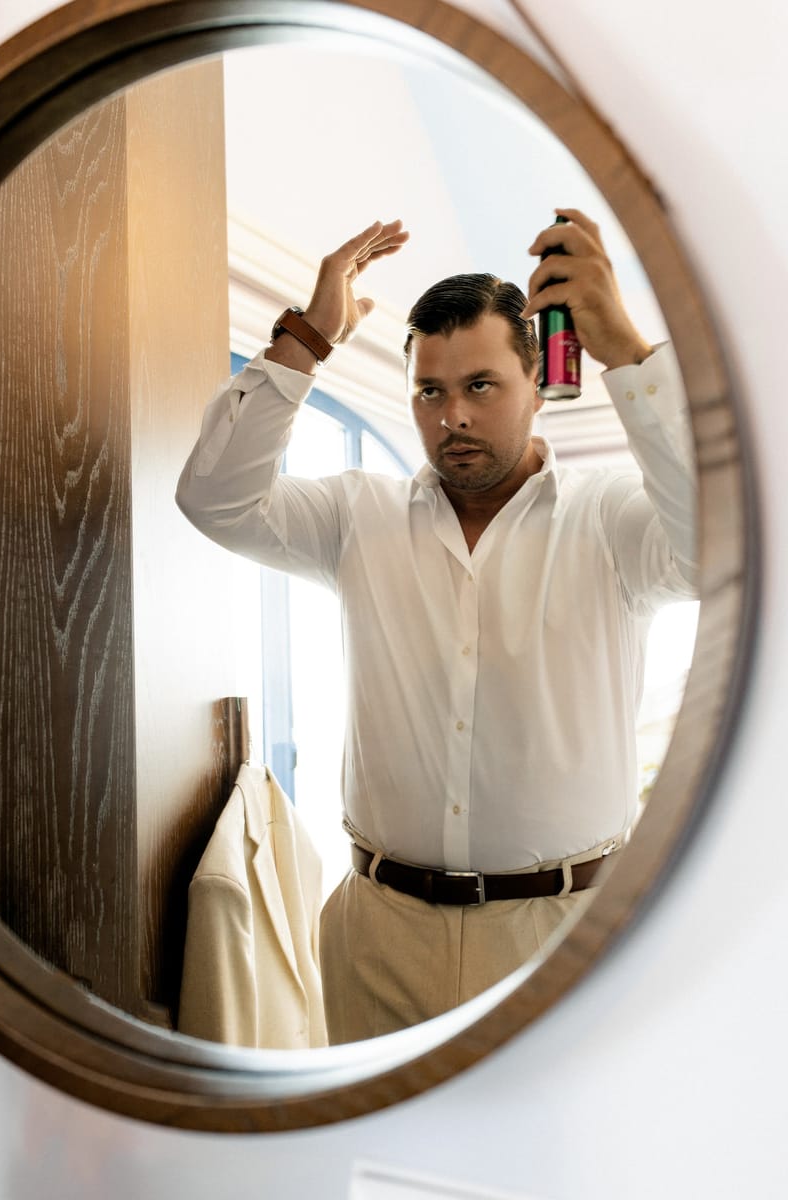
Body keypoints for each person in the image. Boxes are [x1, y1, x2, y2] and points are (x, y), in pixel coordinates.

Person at [176, 209, 697, 1044]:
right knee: (373, 1169)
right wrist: (308, 336)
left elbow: (722, 548)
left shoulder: (611, 520)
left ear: (538, 383)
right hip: (376, 937)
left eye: (480, 386)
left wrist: (627, 352)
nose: (452, 416)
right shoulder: (356, 515)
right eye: (430, 391)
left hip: (556, 937)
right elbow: (213, 499)